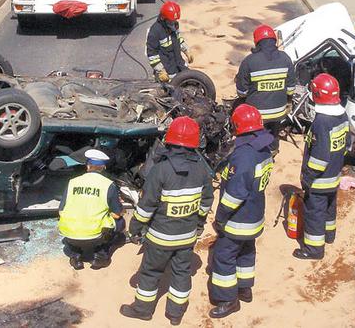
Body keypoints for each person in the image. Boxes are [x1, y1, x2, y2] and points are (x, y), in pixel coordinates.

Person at [120, 116, 213, 326]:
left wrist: (135, 228)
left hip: (160, 238)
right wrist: (199, 225)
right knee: (181, 273)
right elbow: (206, 202)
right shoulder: (202, 171)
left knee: (151, 272)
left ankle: (142, 309)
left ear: (170, 141)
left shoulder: (160, 170)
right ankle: (175, 314)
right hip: (187, 237)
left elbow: (147, 205)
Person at [208, 104, 273, 318]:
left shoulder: (244, 156)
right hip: (255, 215)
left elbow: (235, 194)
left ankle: (228, 299)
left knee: (224, 255)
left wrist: (220, 217)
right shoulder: (263, 148)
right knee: (246, 251)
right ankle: (244, 288)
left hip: (238, 219)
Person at [293, 73, 349, 260]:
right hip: (334, 176)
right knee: (329, 207)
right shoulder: (342, 114)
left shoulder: (321, 122)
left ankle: (314, 249)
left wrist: (307, 177)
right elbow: (346, 144)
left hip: (319, 181)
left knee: (314, 213)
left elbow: (319, 158)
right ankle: (329, 235)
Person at [58, 149, 125, 270]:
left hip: (69, 233)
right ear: (103, 167)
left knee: (73, 224)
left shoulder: (72, 182)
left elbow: (61, 210)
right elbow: (116, 214)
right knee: (120, 222)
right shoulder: (109, 184)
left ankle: (75, 257)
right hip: (95, 236)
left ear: (87, 166)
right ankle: (100, 258)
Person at [235, 24, 296, 153]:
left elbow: (242, 92)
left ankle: (256, 152)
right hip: (279, 112)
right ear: (274, 40)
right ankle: (273, 149)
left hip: (256, 115)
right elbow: (291, 89)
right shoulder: (285, 58)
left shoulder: (249, 61)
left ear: (257, 42)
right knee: (273, 131)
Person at [146, 1, 194, 83]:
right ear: (163, 18)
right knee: (173, 93)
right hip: (167, 71)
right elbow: (152, 54)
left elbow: (178, 39)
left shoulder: (174, 25)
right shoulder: (155, 31)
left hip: (180, 65)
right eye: (171, 21)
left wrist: (186, 51)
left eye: (174, 21)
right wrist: (160, 71)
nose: (173, 24)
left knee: (192, 82)